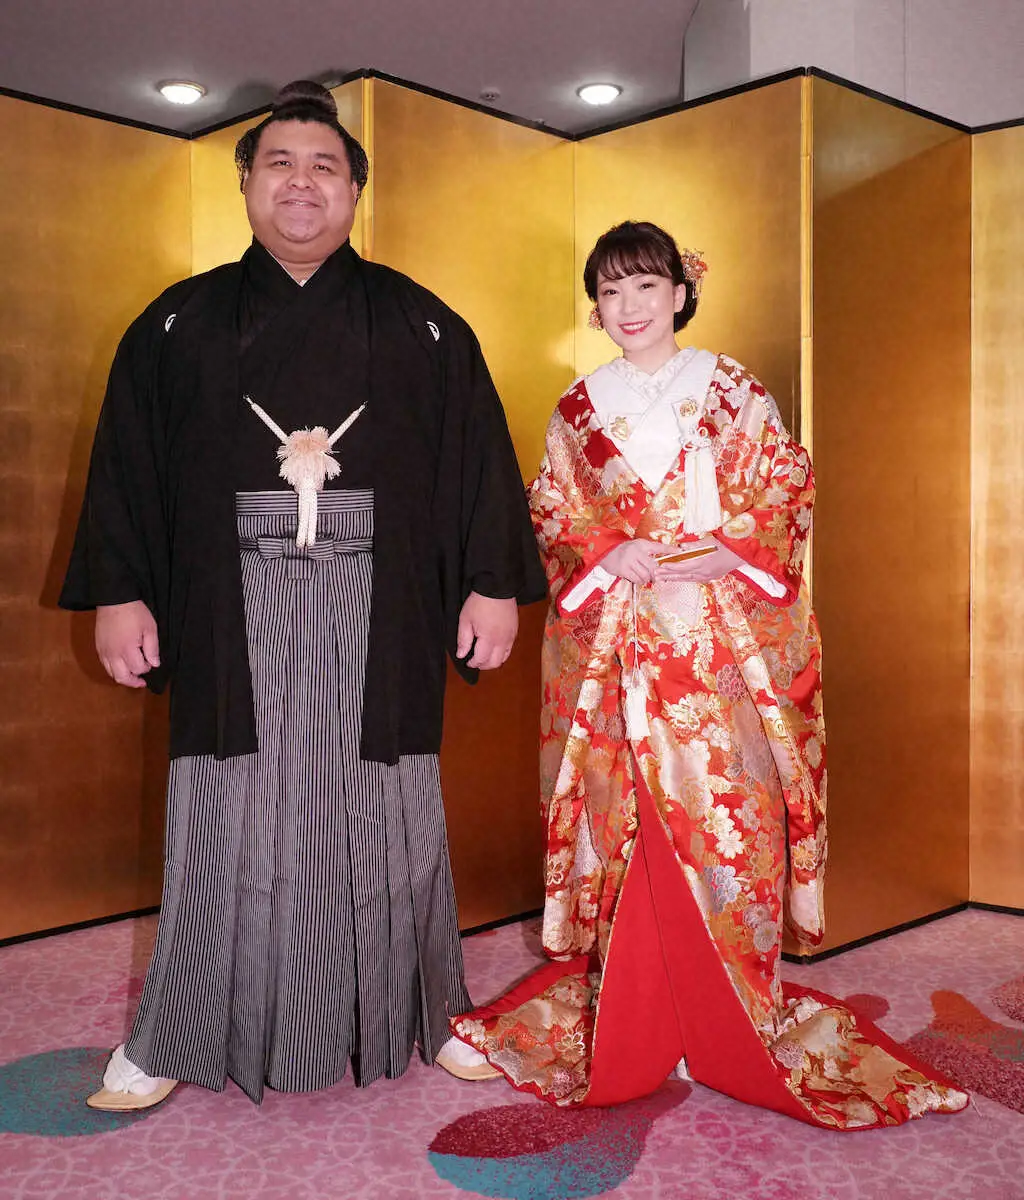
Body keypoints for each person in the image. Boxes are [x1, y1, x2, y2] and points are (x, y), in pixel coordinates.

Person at [59, 80, 545, 1109]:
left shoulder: (421, 324)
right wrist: (121, 594)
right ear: (246, 184)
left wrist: (492, 585)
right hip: (224, 601)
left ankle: (425, 1008)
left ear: (356, 192)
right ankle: (178, 1029)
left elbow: (477, 458)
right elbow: (126, 466)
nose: (301, 183)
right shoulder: (177, 322)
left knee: (387, 808)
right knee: (223, 811)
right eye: (279, 163)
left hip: (385, 601)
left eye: (325, 167)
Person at [449, 221, 968, 1128]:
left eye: (646, 287)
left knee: (725, 823)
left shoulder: (733, 390)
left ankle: (723, 1009)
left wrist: (730, 550)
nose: (629, 307)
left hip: (719, 646)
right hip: (619, 644)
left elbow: (786, 486)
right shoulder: (579, 407)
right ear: (596, 307)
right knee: (629, 819)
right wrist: (607, 551)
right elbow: (552, 509)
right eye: (610, 292)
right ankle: (638, 1011)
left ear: (681, 294)